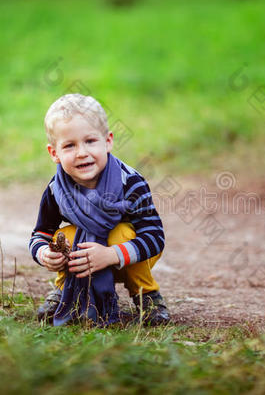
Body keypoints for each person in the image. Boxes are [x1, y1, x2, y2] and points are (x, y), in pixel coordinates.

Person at [28, 94, 169, 326]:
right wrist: (44, 253)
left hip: (130, 257)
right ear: (54, 153)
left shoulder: (130, 183)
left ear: (108, 141)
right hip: (85, 261)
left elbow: (155, 237)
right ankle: (63, 290)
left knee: (121, 232)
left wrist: (110, 255)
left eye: (90, 141)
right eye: (70, 145)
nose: (82, 152)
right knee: (65, 236)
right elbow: (40, 234)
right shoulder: (56, 190)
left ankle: (147, 296)